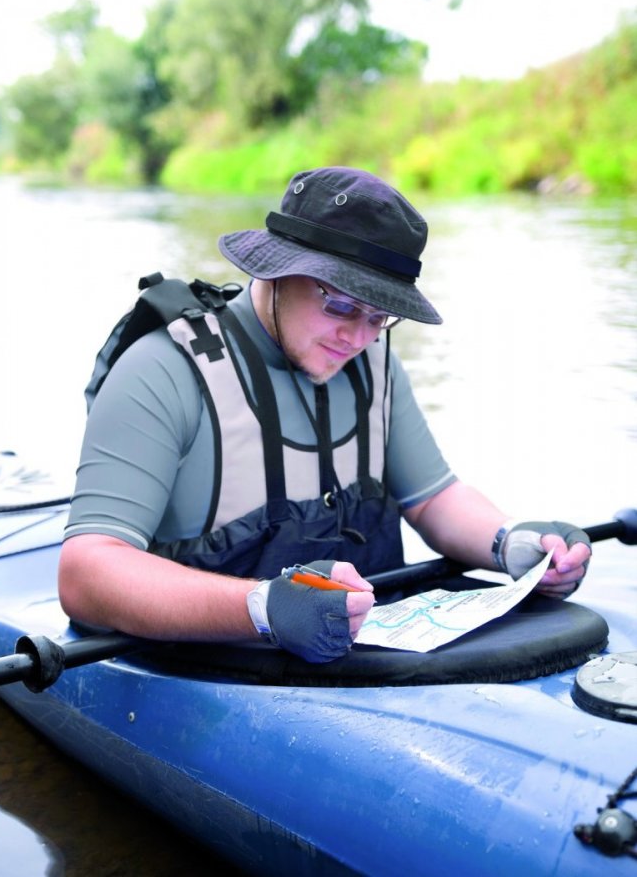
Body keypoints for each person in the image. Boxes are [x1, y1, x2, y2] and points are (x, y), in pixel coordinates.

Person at [58, 166, 591, 663]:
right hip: (212, 667)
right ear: (276, 268)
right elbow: (86, 572)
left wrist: (513, 543)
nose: (357, 337)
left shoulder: (373, 362)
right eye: (339, 304)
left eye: (379, 315)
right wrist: (264, 606)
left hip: (365, 666)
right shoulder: (163, 369)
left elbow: (433, 498)